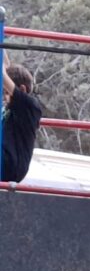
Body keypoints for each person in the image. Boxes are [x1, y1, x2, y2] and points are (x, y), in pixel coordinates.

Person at [1, 50, 42, 183]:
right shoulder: (13, 106)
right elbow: (5, 65)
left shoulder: (29, 106)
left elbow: (2, 75)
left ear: (22, 89)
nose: (4, 97)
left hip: (10, 165)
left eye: (6, 92)